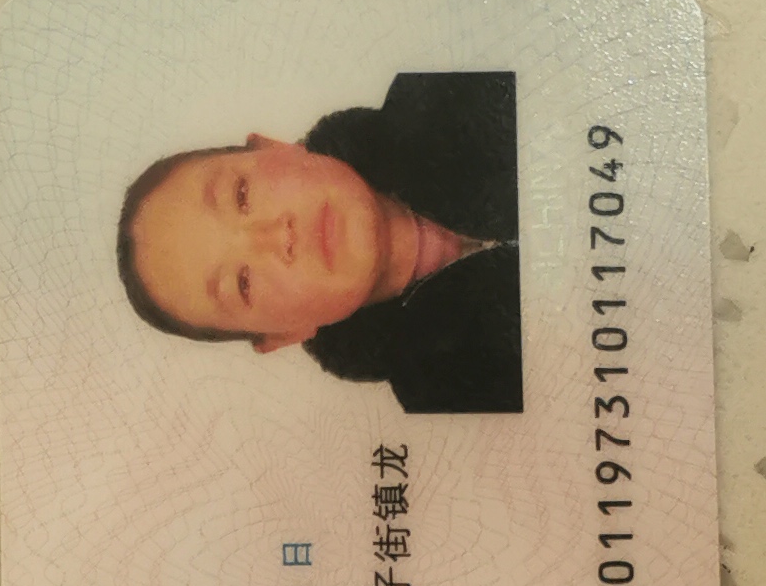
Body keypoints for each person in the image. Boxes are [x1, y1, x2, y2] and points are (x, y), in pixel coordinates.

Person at [116, 71, 521, 413]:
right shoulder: (442, 392)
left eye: (241, 195)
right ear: (285, 336)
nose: (276, 235)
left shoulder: (449, 93)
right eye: (243, 283)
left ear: (274, 147)